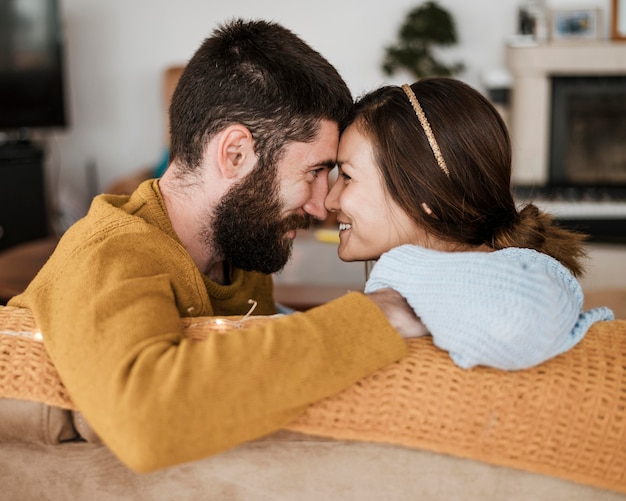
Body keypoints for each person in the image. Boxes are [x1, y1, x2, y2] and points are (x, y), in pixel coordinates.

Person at [8, 19, 425, 473]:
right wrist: (368, 322)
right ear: (235, 154)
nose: (321, 205)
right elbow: (147, 421)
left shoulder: (241, 254)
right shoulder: (111, 253)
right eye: (312, 172)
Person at [324, 77, 614, 371]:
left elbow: (517, 319)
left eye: (346, 177)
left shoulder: (530, 272)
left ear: (425, 195)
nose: (329, 202)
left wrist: (397, 289)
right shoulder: (442, 293)